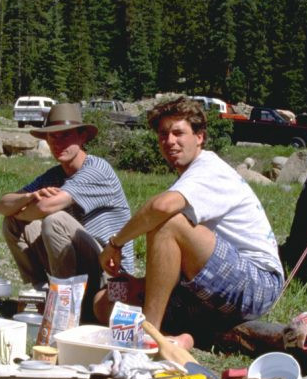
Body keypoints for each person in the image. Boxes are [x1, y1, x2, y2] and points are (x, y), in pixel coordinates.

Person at [96, 96, 284, 344]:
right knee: (104, 301)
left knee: (167, 222)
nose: (170, 141)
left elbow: (162, 207)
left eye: (178, 133)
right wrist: (140, 284)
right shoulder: (188, 178)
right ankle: (179, 338)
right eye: (163, 134)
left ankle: (148, 336)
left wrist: (116, 244)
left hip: (256, 283)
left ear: (199, 137)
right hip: (207, 284)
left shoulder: (210, 169)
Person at [0, 103, 135, 322]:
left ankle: (65, 305)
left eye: (65, 136)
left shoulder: (97, 169)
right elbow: (2, 205)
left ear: (82, 137)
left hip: (111, 274)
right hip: (83, 262)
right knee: (12, 222)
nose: (57, 142)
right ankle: (43, 293)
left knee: (55, 220)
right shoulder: (55, 174)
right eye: (52, 137)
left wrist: (25, 209)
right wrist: (28, 197)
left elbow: (45, 208)